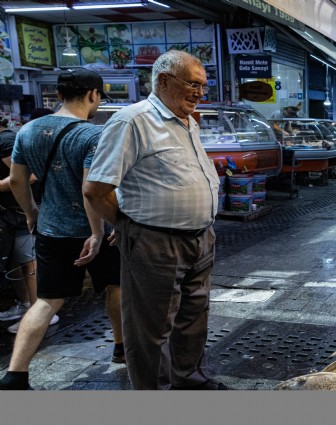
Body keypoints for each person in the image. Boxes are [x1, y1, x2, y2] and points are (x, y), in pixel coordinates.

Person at [83, 50, 224, 391]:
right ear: (164, 80)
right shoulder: (133, 121)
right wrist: (128, 225)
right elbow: (97, 188)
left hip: (200, 239)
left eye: (204, 86)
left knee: (193, 320)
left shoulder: (187, 121)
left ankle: (191, 382)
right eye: (193, 84)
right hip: (155, 242)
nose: (200, 93)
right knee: (151, 328)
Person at [0, 69, 124, 391]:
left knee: (46, 301)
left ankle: (15, 374)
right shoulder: (92, 135)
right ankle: (121, 348)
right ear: (93, 95)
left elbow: (16, 181)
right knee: (115, 286)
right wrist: (97, 233)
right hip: (96, 232)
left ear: (58, 95)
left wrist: (32, 213)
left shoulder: (27, 131)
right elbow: (90, 189)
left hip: (51, 230)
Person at [0, 112, 50, 330]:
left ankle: (38, 313)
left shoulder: (6, 141)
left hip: (21, 211)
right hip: (14, 212)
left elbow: (28, 175)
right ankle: (26, 305)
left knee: (28, 262)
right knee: (18, 262)